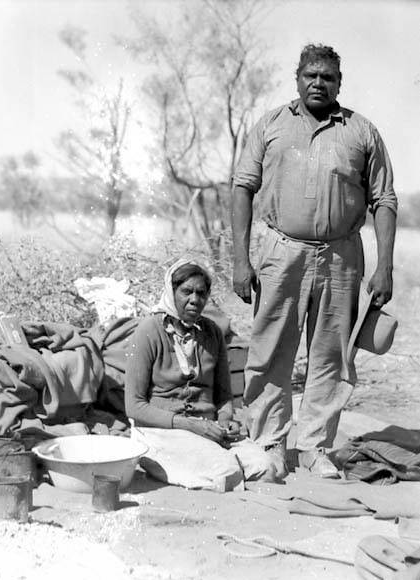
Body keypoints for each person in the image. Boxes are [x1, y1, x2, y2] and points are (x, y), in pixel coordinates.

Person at [231, 44, 397, 479]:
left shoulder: (362, 132)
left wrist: (385, 266)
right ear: (297, 78)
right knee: (270, 350)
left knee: (331, 356)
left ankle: (315, 448)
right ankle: (268, 442)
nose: (318, 83)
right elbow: (241, 187)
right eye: (311, 75)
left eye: (327, 77)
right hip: (280, 251)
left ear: (340, 83)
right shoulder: (270, 124)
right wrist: (240, 260)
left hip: (342, 256)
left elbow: (383, 198)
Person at [125, 258, 278, 485]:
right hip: (162, 431)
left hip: (207, 427)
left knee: (265, 466)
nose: (194, 300)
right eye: (186, 291)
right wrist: (190, 425)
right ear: (171, 291)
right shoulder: (148, 331)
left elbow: (224, 396)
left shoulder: (212, 333)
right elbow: (134, 406)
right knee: (225, 472)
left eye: (201, 293)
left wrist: (226, 419)